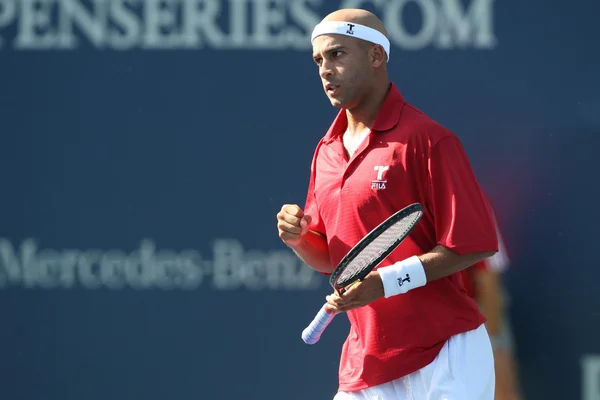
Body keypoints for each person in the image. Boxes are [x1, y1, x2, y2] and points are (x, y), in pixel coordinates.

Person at [276, 8, 499, 400]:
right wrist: (298, 239)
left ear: (376, 57)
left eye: (337, 54)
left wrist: (386, 282)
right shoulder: (325, 152)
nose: (324, 69)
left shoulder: (429, 140)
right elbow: (333, 257)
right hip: (365, 365)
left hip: (447, 355)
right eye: (318, 60)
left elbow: (474, 244)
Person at [460, 205, 524, 400]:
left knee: (500, 388)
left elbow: (488, 278)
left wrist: (492, 343)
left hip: (471, 313)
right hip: (418, 320)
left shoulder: (471, 205)